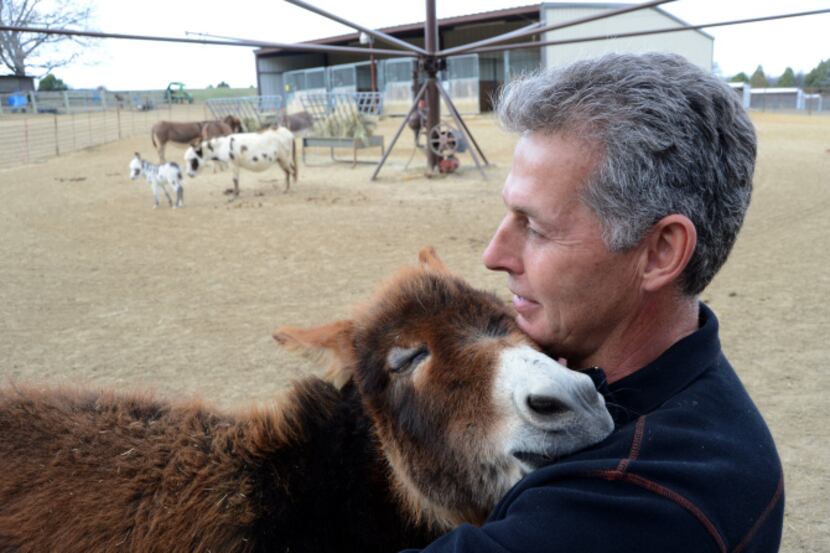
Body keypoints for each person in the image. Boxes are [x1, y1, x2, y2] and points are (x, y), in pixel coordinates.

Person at [404, 53, 784, 552]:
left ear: (660, 253)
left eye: (536, 227)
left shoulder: (648, 499)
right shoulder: (690, 398)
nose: (494, 256)